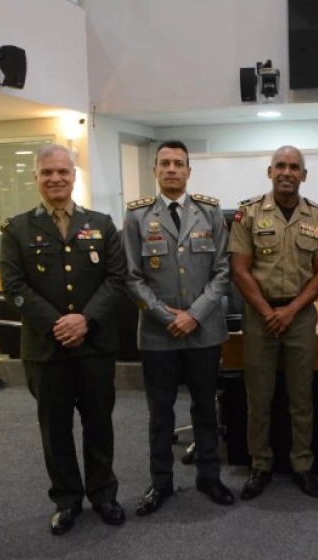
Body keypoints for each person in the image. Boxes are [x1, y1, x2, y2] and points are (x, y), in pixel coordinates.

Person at [0, 143, 126, 535]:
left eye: (63, 172)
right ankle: (67, 501)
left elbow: (116, 279)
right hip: (45, 349)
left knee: (99, 425)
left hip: (94, 347)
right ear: (36, 177)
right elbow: (13, 286)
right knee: (55, 431)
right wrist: (59, 323)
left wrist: (84, 320)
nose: (56, 179)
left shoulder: (101, 224)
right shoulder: (17, 229)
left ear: (74, 176)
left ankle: (103, 494)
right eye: (47, 172)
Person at [123, 140, 234, 514]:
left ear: (189, 171)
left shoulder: (210, 212)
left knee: (205, 408)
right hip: (158, 336)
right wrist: (168, 316)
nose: (172, 169)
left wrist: (194, 314)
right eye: (165, 163)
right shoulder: (137, 217)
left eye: (179, 164)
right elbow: (132, 278)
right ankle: (161, 483)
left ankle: (209, 476)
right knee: (161, 413)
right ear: (155, 170)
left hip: (204, 332)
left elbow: (222, 272)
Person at [228, 145, 318, 500]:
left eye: (294, 167)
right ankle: (260, 465)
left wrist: (290, 311)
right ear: (269, 172)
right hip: (260, 318)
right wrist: (267, 310)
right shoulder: (249, 214)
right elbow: (239, 270)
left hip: (300, 316)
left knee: (301, 397)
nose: (287, 172)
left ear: (304, 175)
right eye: (280, 166)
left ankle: (302, 465)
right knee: (259, 397)